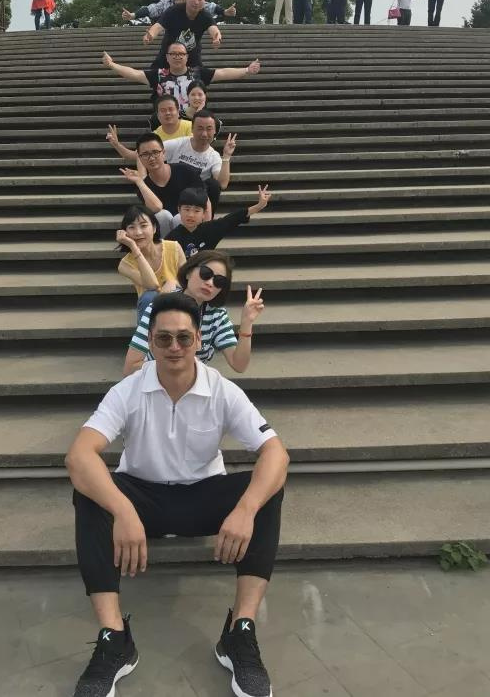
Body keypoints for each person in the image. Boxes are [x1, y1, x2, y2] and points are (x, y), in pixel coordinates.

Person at [66, 291, 288, 697]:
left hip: (202, 496)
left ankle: (240, 631)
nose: (174, 347)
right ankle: (114, 638)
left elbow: (276, 453)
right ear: (150, 342)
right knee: (90, 491)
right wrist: (123, 511)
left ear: (198, 340)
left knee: (266, 489)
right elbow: (80, 455)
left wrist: (245, 509)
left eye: (184, 337)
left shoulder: (221, 389)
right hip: (141, 497)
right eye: (164, 338)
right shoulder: (129, 389)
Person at [124, 250, 265, 375]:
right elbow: (130, 368)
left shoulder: (216, 314)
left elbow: (239, 365)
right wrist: (180, 366)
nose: (210, 283)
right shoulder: (160, 307)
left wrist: (247, 323)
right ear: (189, 273)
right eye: (205, 274)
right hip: (155, 381)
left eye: (219, 281)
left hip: (192, 385)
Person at [102, 44, 260, 117]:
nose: (177, 57)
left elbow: (223, 73)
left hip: (193, 121)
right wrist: (111, 65)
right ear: (167, 57)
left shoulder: (198, 73)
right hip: (167, 122)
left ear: (187, 57)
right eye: (173, 54)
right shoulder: (158, 74)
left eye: (181, 54)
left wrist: (247, 70)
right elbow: (134, 74)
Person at [118, 133, 208, 237]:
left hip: (191, 225)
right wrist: (139, 182)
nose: (151, 158)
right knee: (162, 215)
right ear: (140, 158)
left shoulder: (185, 170)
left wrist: (207, 229)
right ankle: (166, 247)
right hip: (164, 231)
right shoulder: (144, 186)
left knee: (179, 218)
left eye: (155, 152)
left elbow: (205, 201)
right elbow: (157, 207)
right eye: (145, 154)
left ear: (163, 153)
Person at [116, 205, 185, 322]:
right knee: (150, 295)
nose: (138, 232)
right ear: (125, 233)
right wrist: (134, 247)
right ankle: (147, 334)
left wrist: (173, 282)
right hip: (150, 306)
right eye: (131, 227)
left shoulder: (174, 247)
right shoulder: (125, 264)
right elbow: (152, 285)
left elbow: (188, 280)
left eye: (143, 226)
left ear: (154, 228)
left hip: (177, 300)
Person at [166, 185, 271, 257]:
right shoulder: (171, 239)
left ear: (204, 213)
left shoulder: (210, 229)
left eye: (197, 211)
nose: (191, 215)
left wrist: (259, 206)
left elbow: (233, 218)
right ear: (179, 210)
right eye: (187, 209)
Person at [144, 0, 222, 69]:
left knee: (204, 76)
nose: (196, 2)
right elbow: (158, 26)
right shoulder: (173, 11)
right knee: (150, 74)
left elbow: (214, 29)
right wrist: (151, 35)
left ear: (205, 1)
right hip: (167, 60)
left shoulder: (205, 16)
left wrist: (216, 38)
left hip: (192, 61)